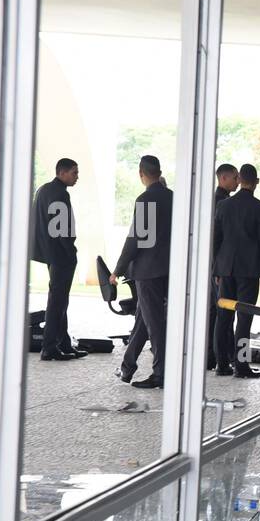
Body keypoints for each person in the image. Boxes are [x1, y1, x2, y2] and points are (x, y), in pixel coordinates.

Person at [110, 156, 173, 389]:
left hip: (148, 271)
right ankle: (127, 368)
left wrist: (118, 269)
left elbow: (138, 238)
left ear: (141, 174)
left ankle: (161, 373)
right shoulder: (173, 198)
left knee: (154, 323)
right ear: (159, 171)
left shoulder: (146, 199)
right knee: (143, 320)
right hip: (170, 269)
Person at [212, 163, 260, 379]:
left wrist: (216, 269)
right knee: (245, 319)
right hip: (249, 270)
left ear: (239, 180)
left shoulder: (224, 206)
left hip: (225, 268)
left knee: (223, 317)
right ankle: (242, 365)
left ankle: (221, 363)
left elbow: (216, 239)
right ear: (255, 182)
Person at [31, 158, 85, 360]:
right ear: (62, 173)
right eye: (74, 172)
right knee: (58, 301)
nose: (77, 177)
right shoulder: (60, 194)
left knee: (59, 298)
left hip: (49, 253)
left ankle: (63, 343)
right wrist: (71, 251)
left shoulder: (43, 190)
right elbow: (61, 229)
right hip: (61, 255)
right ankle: (49, 347)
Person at [206, 163, 239, 371]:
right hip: (220, 266)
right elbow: (218, 239)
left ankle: (214, 356)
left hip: (215, 265)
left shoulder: (217, 201)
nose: (237, 181)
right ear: (223, 178)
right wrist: (218, 268)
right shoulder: (222, 202)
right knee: (224, 311)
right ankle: (223, 358)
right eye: (235, 177)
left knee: (215, 311)